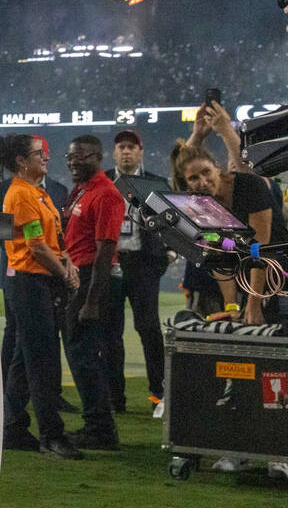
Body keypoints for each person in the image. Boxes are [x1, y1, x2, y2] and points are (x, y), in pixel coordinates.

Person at [0, 133, 82, 459]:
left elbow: (51, 238)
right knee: (42, 362)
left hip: (38, 282)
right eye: (38, 153)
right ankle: (51, 436)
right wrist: (64, 272)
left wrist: (67, 261)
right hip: (29, 283)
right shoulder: (21, 196)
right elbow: (36, 245)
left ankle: (12, 426)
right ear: (21, 161)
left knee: (22, 360)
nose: (45, 157)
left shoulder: (36, 193)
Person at [173, 137, 288, 325]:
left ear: (218, 168)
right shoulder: (203, 205)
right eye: (193, 178)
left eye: (206, 172)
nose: (202, 182)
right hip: (248, 281)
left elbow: (260, 251)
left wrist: (253, 304)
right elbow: (220, 259)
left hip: (280, 276)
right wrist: (231, 306)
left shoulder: (250, 186)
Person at [63, 135, 125, 450]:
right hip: (80, 276)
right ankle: (97, 425)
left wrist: (91, 301)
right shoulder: (84, 191)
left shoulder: (106, 195)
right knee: (81, 357)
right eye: (70, 157)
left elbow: (106, 250)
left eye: (81, 156)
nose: (73, 162)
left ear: (98, 157)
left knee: (86, 358)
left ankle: (101, 430)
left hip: (91, 279)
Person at [106, 129, 169, 413]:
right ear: (114, 152)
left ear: (140, 152)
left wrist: (168, 255)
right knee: (110, 331)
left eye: (131, 146)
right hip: (110, 261)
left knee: (149, 328)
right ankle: (114, 398)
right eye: (122, 147)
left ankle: (159, 394)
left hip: (144, 262)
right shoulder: (103, 182)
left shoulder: (155, 183)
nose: (126, 151)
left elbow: (173, 222)